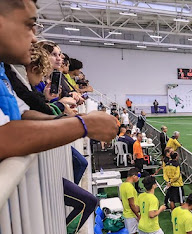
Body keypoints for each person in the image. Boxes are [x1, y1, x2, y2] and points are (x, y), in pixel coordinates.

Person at [0, 0, 118, 159]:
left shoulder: (4, 70)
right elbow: (5, 138)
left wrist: (74, 120)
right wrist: (83, 125)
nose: (34, 39)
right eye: (28, 26)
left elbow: (24, 115)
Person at [119, 168, 140, 234]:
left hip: (127, 213)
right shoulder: (130, 188)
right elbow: (131, 204)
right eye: (138, 176)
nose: (138, 178)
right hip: (131, 215)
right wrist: (138, 215)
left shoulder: (123, 185)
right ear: (134, 176)